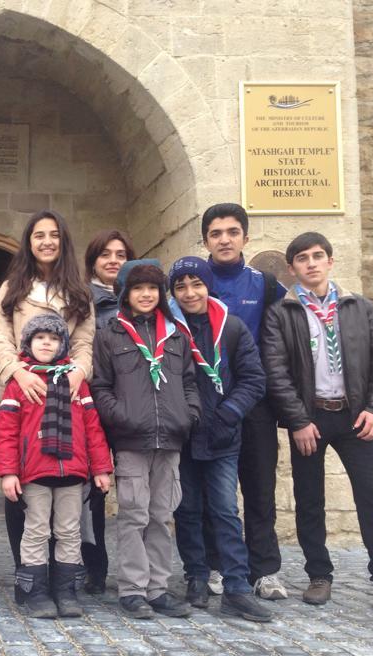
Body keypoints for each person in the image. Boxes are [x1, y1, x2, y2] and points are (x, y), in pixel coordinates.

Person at [262, 232, 373, 615]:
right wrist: (298, 420)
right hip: (311, 418)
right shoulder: (282, 313)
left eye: (318, 256)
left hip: (356, 416)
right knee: (309, 500)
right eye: (302, 258)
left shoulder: (359, 308)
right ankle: (318, 575)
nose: (311, 263)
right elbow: (277, 372)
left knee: (371, 499)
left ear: (330, 262)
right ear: (291, 269)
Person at [0, 210, 94, 590]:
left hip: (64, 400)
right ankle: (28, 575)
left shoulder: (79, 291)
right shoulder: (11, 288)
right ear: (29, 243)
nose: (46, 241)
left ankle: (62, 577)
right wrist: (18, 372)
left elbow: (83, 342)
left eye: (53, 235)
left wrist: (80, 370)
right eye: (38, 236)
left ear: (62, 241)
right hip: (20, 395)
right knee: (23, 494)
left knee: (64, 496)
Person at [91, 259, 200, 619]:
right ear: (126, 293)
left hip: (169, 439)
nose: (146, 294)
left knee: (160, 516)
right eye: (138, 288)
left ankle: (158, 588)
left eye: (152, 288)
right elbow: (101, 386)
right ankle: (133, 589)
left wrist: (188, 416)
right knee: (134, 516)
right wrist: (121, 418)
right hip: (131, 442)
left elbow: (188, 383)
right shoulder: (110, 334)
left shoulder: (176, 335)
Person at [167, 257, 272, 623]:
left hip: (223, 435)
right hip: (183, 436)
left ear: (208, 285)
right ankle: (196, 575)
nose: (190, 292)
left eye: (196, 284)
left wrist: (229, 412)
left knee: (226, 511)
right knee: (188, 510)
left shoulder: (233, 327)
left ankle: (237, 587)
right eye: (181, 286)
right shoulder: (170, 330)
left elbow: (253, 379)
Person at [0, 315, 112, 618]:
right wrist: (8, 472)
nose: (47, 342)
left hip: (72, 473)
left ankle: (65, 590)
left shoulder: (77, 382)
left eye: (53, 338)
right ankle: (35, 592)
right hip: (34, 473)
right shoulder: (19, 384)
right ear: (28, 344)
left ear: (63, 345)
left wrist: (101, 468)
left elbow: (93, 429)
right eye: (40, 338)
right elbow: (6, 432)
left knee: (69, 531)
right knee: (35, 531)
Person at [201, 203, 288, 600]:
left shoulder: (265, 284)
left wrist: (365, 318)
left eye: (232, 232)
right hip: (208, 402)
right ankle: (215, 565)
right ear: (206, 240)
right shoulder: (193, 281)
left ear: (245, 238)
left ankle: (264, 570)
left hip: (254, 402)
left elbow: (305, 312)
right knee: (210, 491)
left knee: (258, 487)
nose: (224, 239)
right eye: (216, 233)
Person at [80, 229, 136, 594]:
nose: (113, 260)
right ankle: (94, 568)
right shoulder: (81, 300)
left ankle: (139, 569)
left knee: (136, 492)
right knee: (92, 494)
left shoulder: (145, 298)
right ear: (94, 261)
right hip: (96, 404)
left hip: (136, 406)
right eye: (105, 254)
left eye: (120, 254)